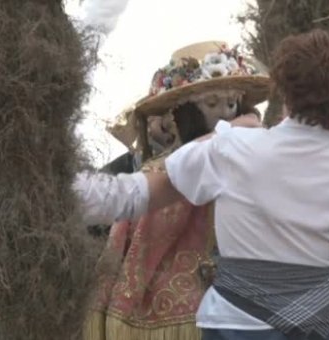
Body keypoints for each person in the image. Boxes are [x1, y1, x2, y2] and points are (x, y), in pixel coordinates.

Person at [77, 29, 329, 340]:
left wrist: (57, 187)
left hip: (242, 325)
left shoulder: (230, 148)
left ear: (285, 90)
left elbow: (133, 195)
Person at [79, 41, 270, 340]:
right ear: (185, 111)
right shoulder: (159, 171)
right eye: (211, 104)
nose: (223, 114)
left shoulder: (257, 165)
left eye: (231, 103)